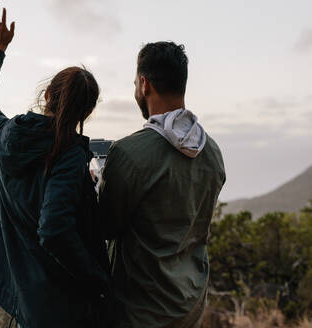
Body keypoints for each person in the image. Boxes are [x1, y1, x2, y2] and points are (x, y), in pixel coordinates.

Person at [0, 5, 110, 328]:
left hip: (26, 305)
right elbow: (54, 229)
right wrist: (99, 278)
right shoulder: (69, 156)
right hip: (66, 309)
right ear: (84, 114)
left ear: (46, 94)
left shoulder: (6, 136)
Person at [98, 42, 226, 328]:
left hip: (138, 311)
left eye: (135, 83)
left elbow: (106, 226)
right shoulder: (213, 152)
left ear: (144, 85)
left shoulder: (130, 152)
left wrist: (98, 184)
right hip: (189, 305)